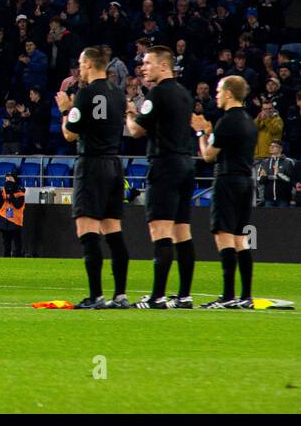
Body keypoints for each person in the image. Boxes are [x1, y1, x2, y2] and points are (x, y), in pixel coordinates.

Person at [57, 47, 132, 308]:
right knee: (113, 230)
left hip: (91, 164)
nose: (79, 69)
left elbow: (69, 134)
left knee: (87, 229)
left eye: (80, 63)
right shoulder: (118, 94)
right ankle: (120, 295)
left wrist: (66, 110)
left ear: (89, 64)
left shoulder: (86, 93)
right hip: (114, 164)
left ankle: (96, 296)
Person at [126, 45, 197, 309]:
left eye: (147, 63)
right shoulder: (184, 94)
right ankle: (184, 296)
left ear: (164, 66)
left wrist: (129, 111)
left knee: (161, 231)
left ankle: (157, 297)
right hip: (186, 163)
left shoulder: (157, 94)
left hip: (165, 164)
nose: (143, 67)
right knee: (183, 232)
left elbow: (135, 131)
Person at [191, 76, 257, 308]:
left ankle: (228, 296)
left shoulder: (227, 121)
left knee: (224, 236)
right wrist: (210, 133)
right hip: (246, 182)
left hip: (227, 181)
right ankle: (245, 297)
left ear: (229, 93)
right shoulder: (248, 120)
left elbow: (209, 155)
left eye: (219, 91)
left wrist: (200, 133)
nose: (216, 95)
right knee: (241, 238)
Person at [254, 141, 297, 207]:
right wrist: (264, 177)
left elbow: (291, 180)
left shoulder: (288, 162)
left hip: (284, 198)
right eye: (270, 146)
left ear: (281, 149)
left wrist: (278, 174)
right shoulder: (264, 162)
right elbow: (259, 180)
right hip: (268, 199)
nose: (271, 147)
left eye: (274, 146)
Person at [0, 170, 25, 259]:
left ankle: (18, 258)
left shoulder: (20, 191)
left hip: (15, 220)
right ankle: (6, 258)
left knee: (17, 242)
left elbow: (18, 205)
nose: (8, 180)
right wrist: (1, 195)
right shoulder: (2, 190)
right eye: (6, 178)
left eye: (10, 178)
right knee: (6, 242)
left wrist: (11, 195)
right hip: (4, 219)